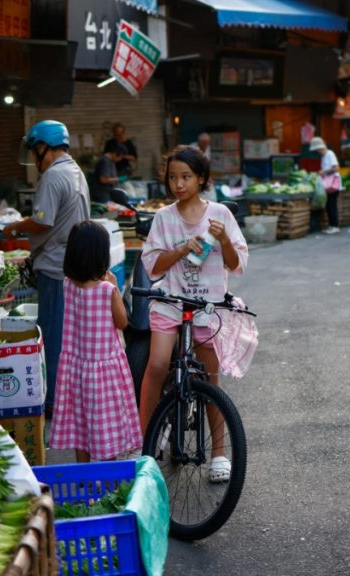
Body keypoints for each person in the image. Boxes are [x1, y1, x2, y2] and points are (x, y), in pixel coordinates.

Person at [139, 146, 248, 483]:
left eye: (186, 177)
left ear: (201, 179)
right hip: (170, 303)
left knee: (210, 378)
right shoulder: (163, 218)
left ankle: (219, 453)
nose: (178, 183)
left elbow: (236, 264)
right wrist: (182, 249)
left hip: (208, 307)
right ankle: (146, 445)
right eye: (173, 177)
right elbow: (153, 267)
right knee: (157, 365)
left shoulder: (220, 215)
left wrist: (223, 239)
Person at [3, 121, 91, 417]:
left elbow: (42, 221)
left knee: (51, 338)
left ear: (44, 147)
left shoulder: (53, 176)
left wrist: (14, 227)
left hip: (54, 268)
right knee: (66, 338)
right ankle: (66, 397)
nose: (34, 158)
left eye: (35, 150)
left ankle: (53, 402)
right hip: (71, 266)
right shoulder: (75, 171)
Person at [50, 221, 142, 463]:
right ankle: (108, 484)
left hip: (76, 369)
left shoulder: (68, 285)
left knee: (82, 429)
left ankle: (85, 480)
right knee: (105, 428)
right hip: (104, 374)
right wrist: (115, 286)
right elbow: (122, 322)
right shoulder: (105, 290)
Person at [310, 137, 342, 234]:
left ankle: (335, 226)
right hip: (328, 185)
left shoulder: (330, 154)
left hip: (333, 184)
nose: (316, 151)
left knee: (332, 205)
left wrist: (324, 172)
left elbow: (336, 168)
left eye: (316, 149)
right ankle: (331, 225)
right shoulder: (324, 156)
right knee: (328, 205)